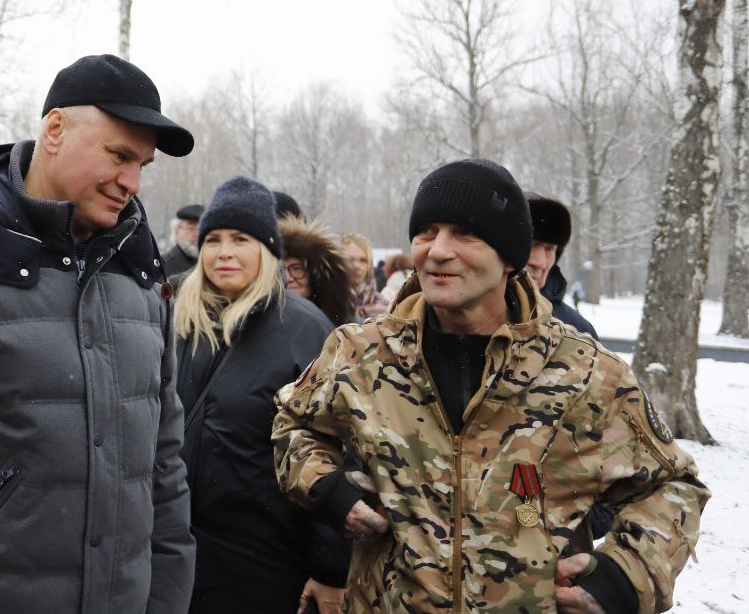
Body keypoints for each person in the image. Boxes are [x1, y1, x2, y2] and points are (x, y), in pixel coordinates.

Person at [273, 159, 709, 613]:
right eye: (426, 232)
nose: (438, 251)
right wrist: (327, 488)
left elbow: (673, 488)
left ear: (510, 258)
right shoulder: (360, 351)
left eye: (466, 234)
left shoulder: (586, 372)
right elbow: (294, 426)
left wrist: (624, 576)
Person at [0, 54, 197, 614]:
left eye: (143, 165)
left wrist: (166, 599)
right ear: (54, 130)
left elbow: (162, 461)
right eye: (119, 156)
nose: (132, 183)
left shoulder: (143, 274)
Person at [174, 176, 345, 614]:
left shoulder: (304, 328)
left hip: (264, 560)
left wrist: (330, 567)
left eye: (240, 239)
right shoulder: (175, 317)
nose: (224, 252)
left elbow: (340, 447)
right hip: (173, 556)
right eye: (212, 239)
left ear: (267, 249)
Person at [525, 192, 598, 338]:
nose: (541, 263)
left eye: (550, 248)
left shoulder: (578, 332)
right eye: (532, 244)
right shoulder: (475, 320)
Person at [280, 215, 352, 328]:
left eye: (297, 269)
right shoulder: (261, 325)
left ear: (315, 275)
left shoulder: (345, 329)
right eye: (280, 269)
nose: (287, 278)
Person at [342, 233, 387, 320]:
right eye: (350, 259)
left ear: (369, 265)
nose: (356, 266)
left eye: (363, 260)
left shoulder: (384, 309)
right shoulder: (328, 302)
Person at [162, 203, 204, 277]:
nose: (197, 234)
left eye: (201, 229)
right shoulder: (162, 266)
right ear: (176, 231)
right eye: (191, 228)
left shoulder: (211, 265)